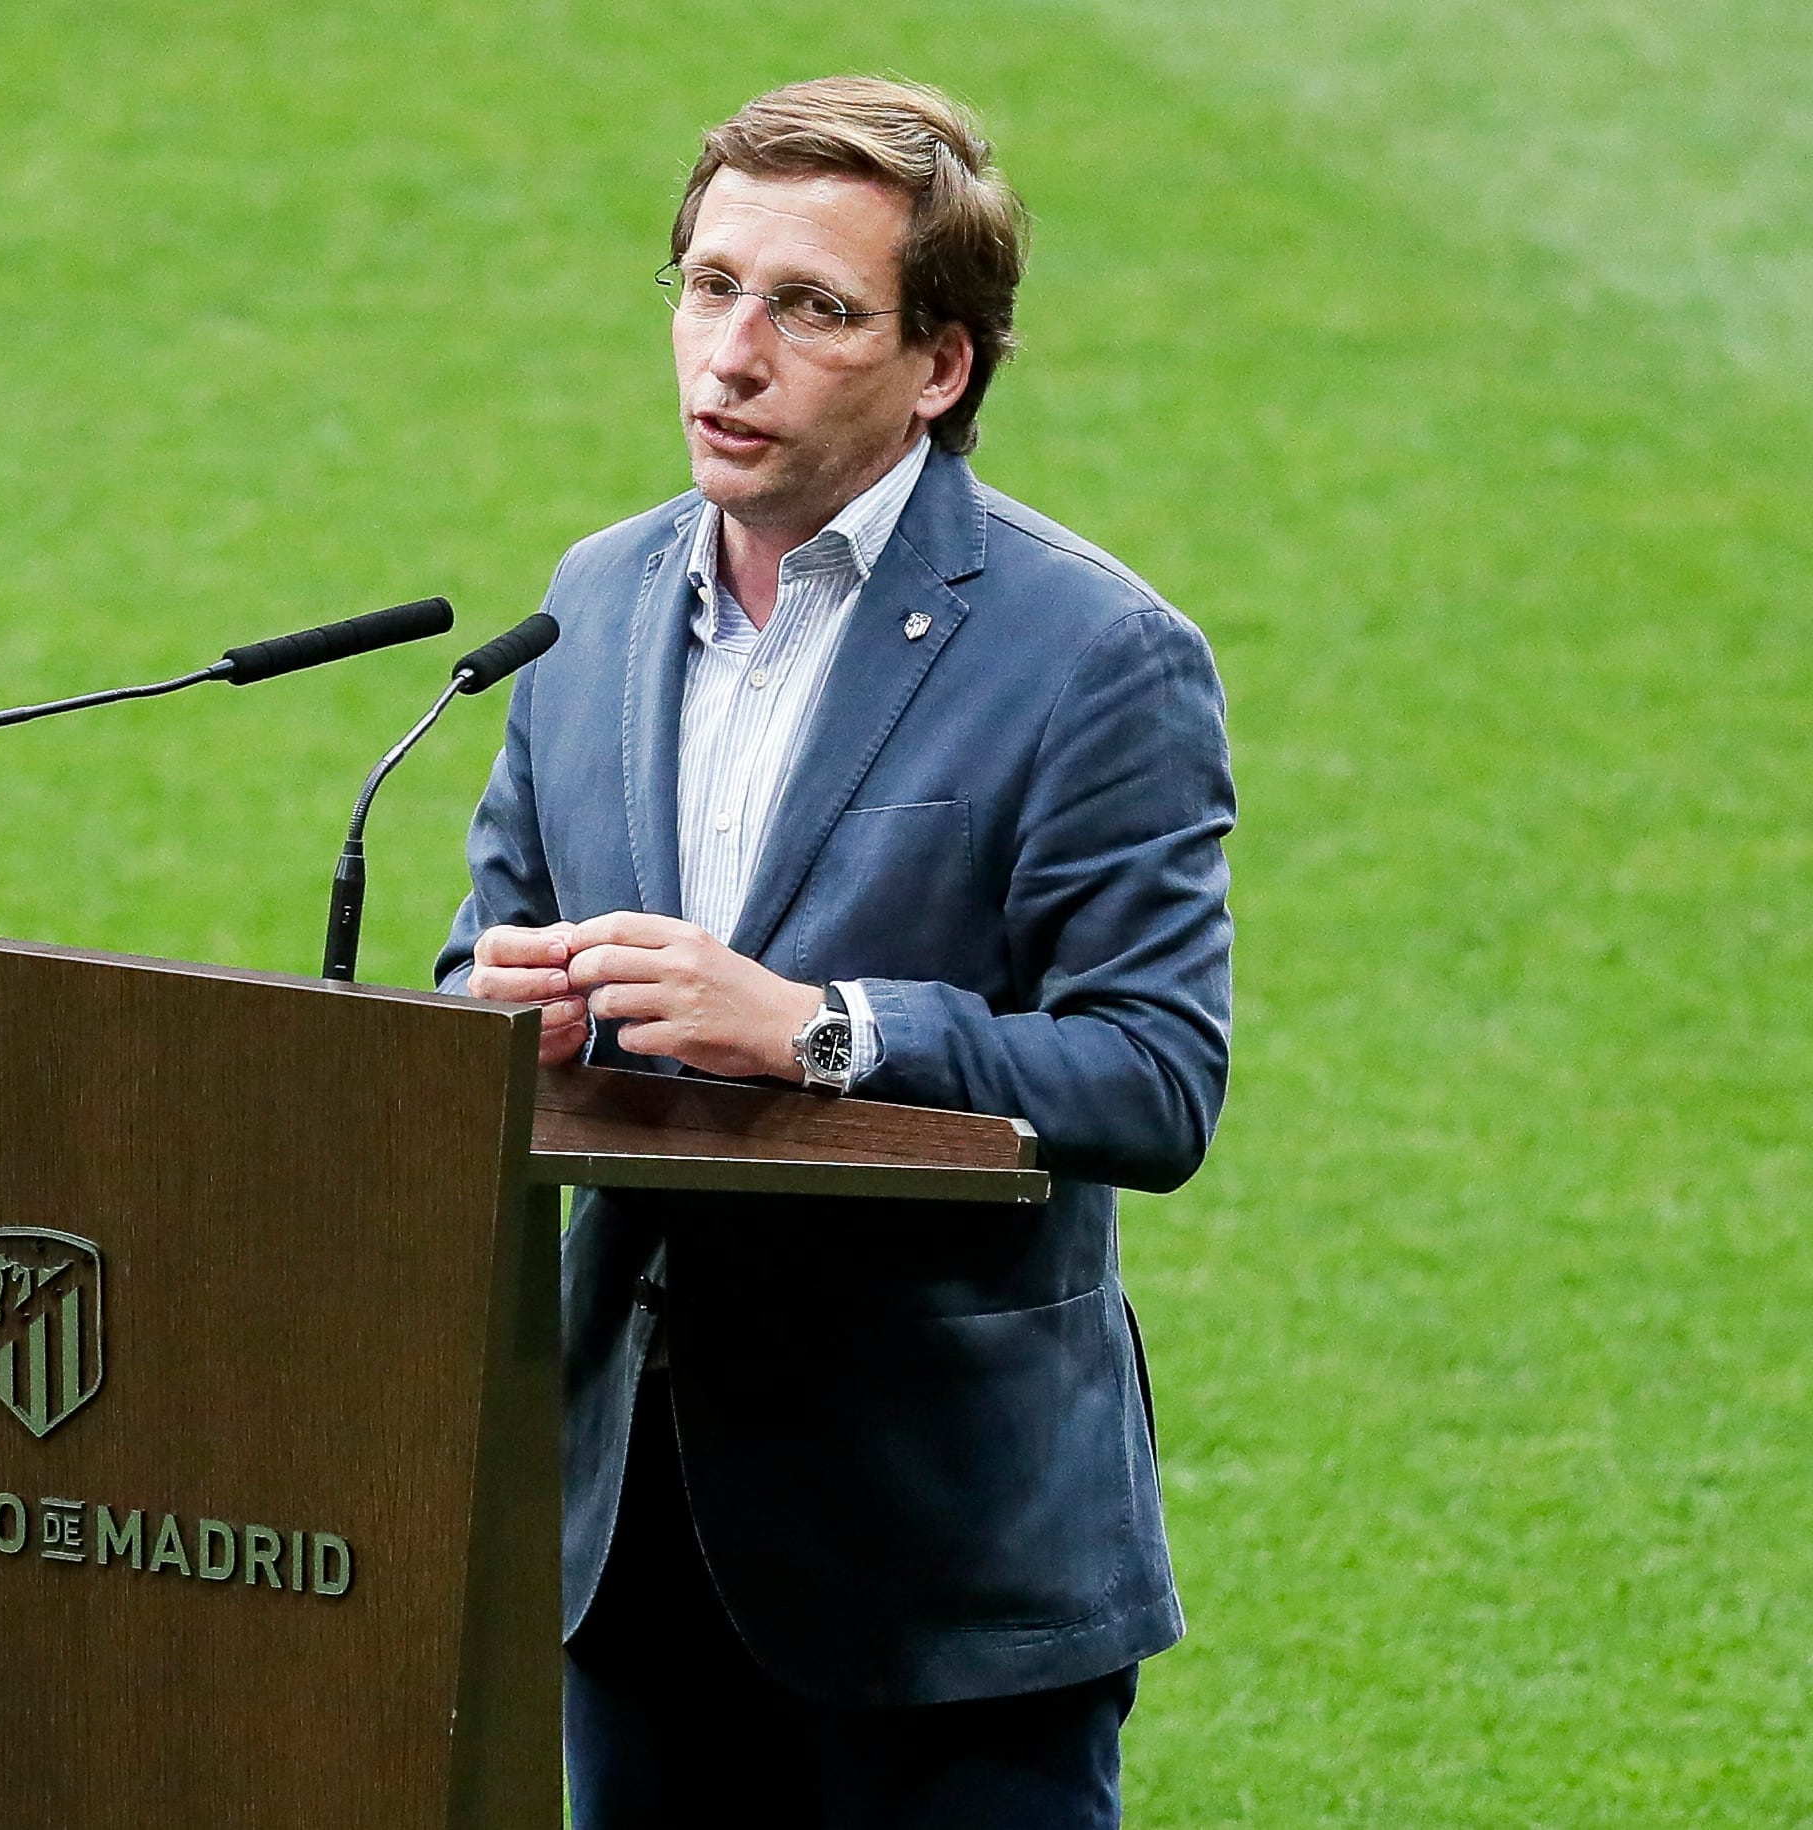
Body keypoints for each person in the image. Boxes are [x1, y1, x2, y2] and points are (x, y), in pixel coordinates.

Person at [433, 77, 1236, 1828]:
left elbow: (1158, 1077)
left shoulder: (1096, 654)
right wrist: (494, 1019)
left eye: (808, 308)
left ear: (937, 363)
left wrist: (822, 1031)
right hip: (624, 1539)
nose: (731, 353)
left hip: (940, 1566)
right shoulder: (584, 611)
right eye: (709, 286)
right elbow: (459, 976)